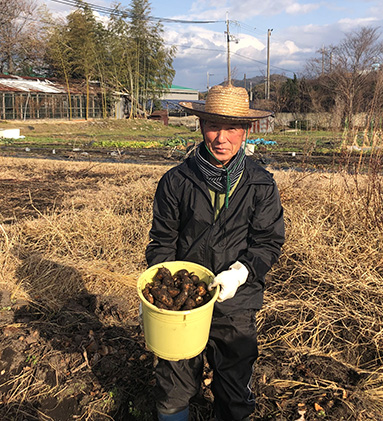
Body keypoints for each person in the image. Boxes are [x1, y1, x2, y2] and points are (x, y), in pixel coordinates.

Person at [145, 84, 285, 421]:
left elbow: (267, 241)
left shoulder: (260, 185)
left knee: (234, 386)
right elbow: (163, 240)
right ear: (201, 127)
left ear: (246, 131)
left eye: (232, 128)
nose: (221, 138)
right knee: (174, 385)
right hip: (184, 302)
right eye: (212, 126)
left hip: (235, 300)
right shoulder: (176, 181)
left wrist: (240, 274)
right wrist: (162, 297)